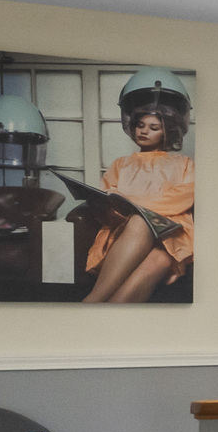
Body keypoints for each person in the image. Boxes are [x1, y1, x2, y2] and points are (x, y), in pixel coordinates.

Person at [81, 69, 197, 304]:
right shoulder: (121, 164)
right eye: (141, 125)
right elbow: (108, 202)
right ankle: (96, 306)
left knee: (160, 255)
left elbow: (184, 196)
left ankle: (91, 306)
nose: (144, 131)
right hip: (127, 234)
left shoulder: (184, 163)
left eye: (154, 128)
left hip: (171, 233)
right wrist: (110, 202)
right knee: (140, 225)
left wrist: (138, 206)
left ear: (168, 131)